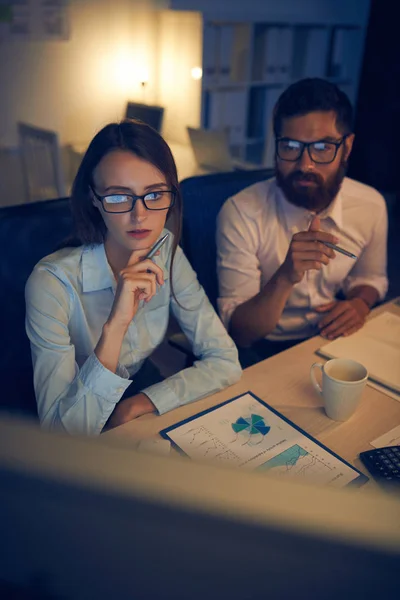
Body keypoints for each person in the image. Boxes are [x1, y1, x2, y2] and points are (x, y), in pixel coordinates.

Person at [25, 120, 241, 435]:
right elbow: (62, 435)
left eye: (154, 195)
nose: (139, 215)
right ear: (94, 199)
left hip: (134, 393)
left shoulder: (166, 253)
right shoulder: (51, 283)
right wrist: (116, 326)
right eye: (118, 197)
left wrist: (137, 404)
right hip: (75, 406)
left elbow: (224, 360)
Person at [216, 78, 388, 367]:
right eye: (291, 146)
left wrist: (359, 304)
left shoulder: (370, 205)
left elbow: (371, 278)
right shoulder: (241, 212)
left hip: (335, 340)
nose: (305, 164)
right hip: (265, 350)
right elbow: (241, 333)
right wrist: (285, 277)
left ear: (347, 147)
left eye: (322, 147)